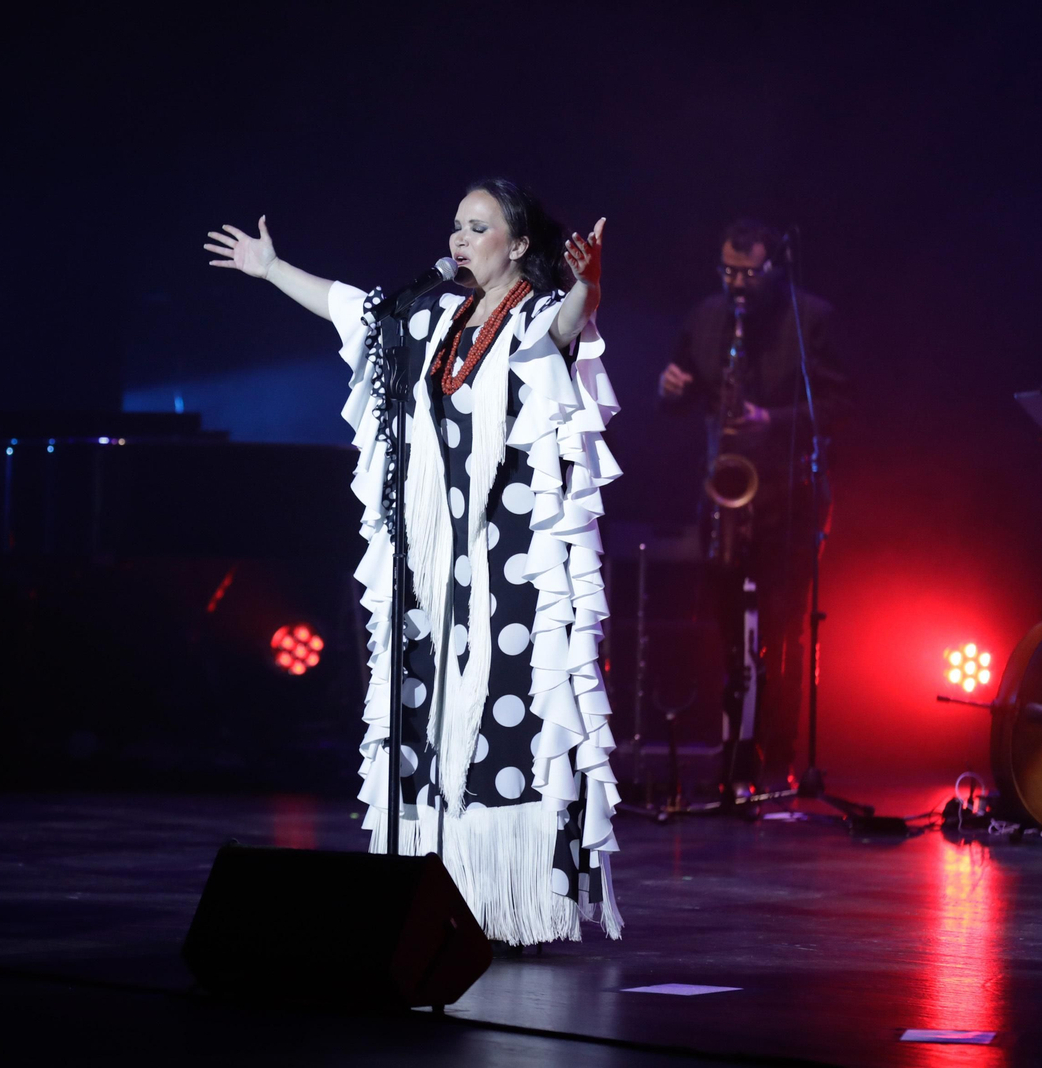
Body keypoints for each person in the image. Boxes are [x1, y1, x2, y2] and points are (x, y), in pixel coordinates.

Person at [207, 180, 623, 946]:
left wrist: (587, 286)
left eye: (479, 227)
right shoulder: (431, 318)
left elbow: (568, 325)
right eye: (456, 225)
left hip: (514, 568)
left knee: (509, 719)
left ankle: (513, 901)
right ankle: (445, 890)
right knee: (432, 715)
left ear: (518, 244)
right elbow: (354, 308)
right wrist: (271, 270)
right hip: (438, 566)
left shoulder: (531, 316)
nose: (460, 239)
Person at [658, 220, 848, 789]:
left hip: (788, 497)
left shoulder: (812, 318)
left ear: (774, 267)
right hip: (724, 497)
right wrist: (670, 389)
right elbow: (682, 391)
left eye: (749, 273)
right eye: (728, 272)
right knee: (722, 633)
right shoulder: (705, 316)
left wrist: (773, 420)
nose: (737, 284)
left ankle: (775, 762)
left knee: (783, 635)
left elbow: (840, 406)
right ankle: (728, 757)